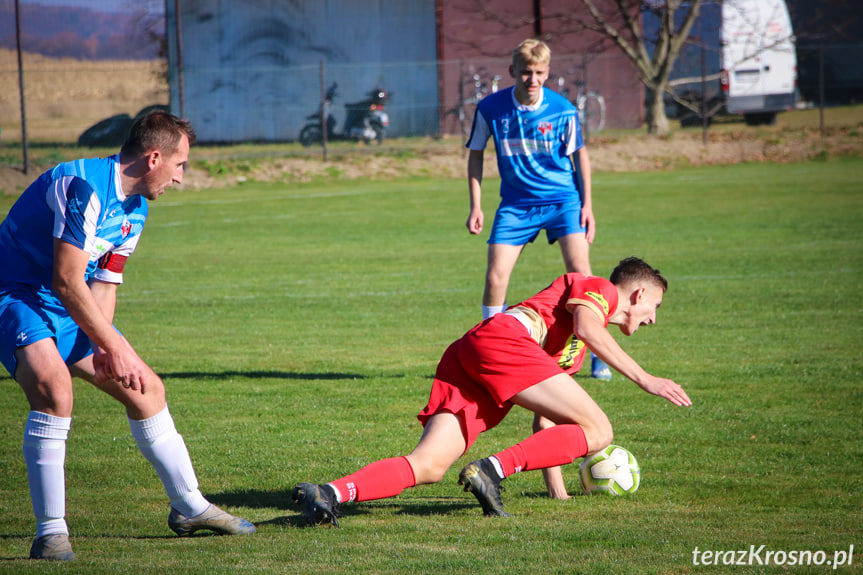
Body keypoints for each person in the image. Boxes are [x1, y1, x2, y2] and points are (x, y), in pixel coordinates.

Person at [0, 112, 255, 561]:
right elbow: (66, 280)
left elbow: (104, 283)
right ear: (154, 158)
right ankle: (51, 534)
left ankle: (189, 506)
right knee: (54, 390)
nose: (180, 178)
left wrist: (106, 347)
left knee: (147, 389)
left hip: (65, 302)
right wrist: (113, 346)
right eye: (179, 165)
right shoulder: (81, 187)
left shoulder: (135, 209)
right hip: (14, 294)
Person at [291, 257, 692, 526]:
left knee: (428, 465)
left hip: (474, 352)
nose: (652, 319)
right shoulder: (599, 289)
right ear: (639, 295)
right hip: (503, 341)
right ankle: (490, 470)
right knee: (600, 431)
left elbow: (547, 421)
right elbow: (588, 326)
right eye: (655, 307)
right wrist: (646, 379)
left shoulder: (571, 348)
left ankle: (329, 493)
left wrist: (558, 491)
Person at [464, 38, 613, 381]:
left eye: (540, 73)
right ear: (512, 71)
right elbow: (475, 154)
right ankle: (492, 350)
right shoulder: (490, 109)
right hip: (516, 205)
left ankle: (595, 353)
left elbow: (581, 156)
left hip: (563, 200)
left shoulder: (563, 110)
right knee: (496, 275)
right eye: (526, 72)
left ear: (548, 73)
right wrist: (476, 205)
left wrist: (587, 205)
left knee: (582, 275)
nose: (533, 79)